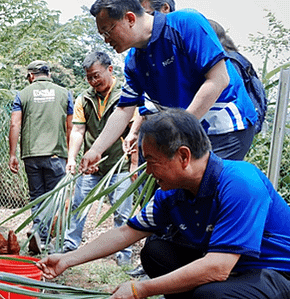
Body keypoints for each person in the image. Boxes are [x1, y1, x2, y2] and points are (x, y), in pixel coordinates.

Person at [38, 108, 290, 299]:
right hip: (244, 278)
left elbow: (217, 269)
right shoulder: (171, 193)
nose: (147, 171)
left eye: (152, 162)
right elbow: (126, 232)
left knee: (214, 295)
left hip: (282, 282)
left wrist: (140, 289)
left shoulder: (239, 183)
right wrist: (66, 260)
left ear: (183, 156)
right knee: (157, 251)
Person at [82, 0, 258, 180]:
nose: (106, 39)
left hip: (225, 124)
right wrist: (96, 150)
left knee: (204, 187)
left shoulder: (185, 23)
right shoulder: (134, 61)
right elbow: (123, 109)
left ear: (130, 18)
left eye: (107, 31)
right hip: (188, 129)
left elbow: (219, 79)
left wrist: (179, 129)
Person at [61, 51, 133, 267]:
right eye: (89, 77)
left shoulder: (126, 95)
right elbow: (78, 130)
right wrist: (72, 158)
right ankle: (69, 246)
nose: (93, 81)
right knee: (78, 205)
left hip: (119, 165)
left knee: (122, 211)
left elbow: (134, 130)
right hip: (91, 165)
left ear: (110, 70)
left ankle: (124, 256)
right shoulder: (84, 98)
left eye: (96, 75)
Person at [8, 60, 74, 254]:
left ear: (31, 76)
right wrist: (71, 155)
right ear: (49, 74)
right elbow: (71, 126)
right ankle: (47, 238)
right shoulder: (65, 93)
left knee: (37, 196)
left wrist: (12, 154)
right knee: (55, 197)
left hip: (32, 155)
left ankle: (39, 233)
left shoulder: (23, 94)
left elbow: (14, 125)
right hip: (56, 154)